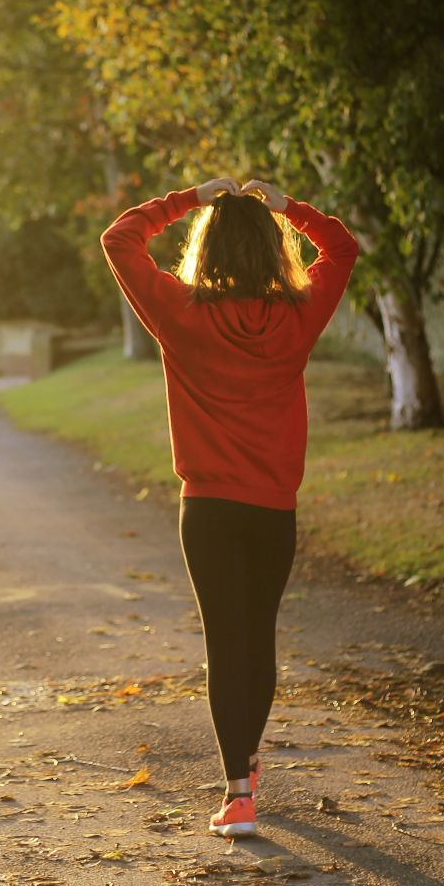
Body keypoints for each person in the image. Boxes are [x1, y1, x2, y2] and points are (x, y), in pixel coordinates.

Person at [99, 176, 360, 838]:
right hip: (273, 508)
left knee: (225, 640)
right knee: (259, 636)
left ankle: (238, 793)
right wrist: (289, 208)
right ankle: (244, 766)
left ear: (206, 250)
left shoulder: (179, 313)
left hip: (209, 509)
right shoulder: (299, 316)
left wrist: (189, 198)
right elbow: (343, 247)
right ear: (273, 252)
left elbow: (119, 238)